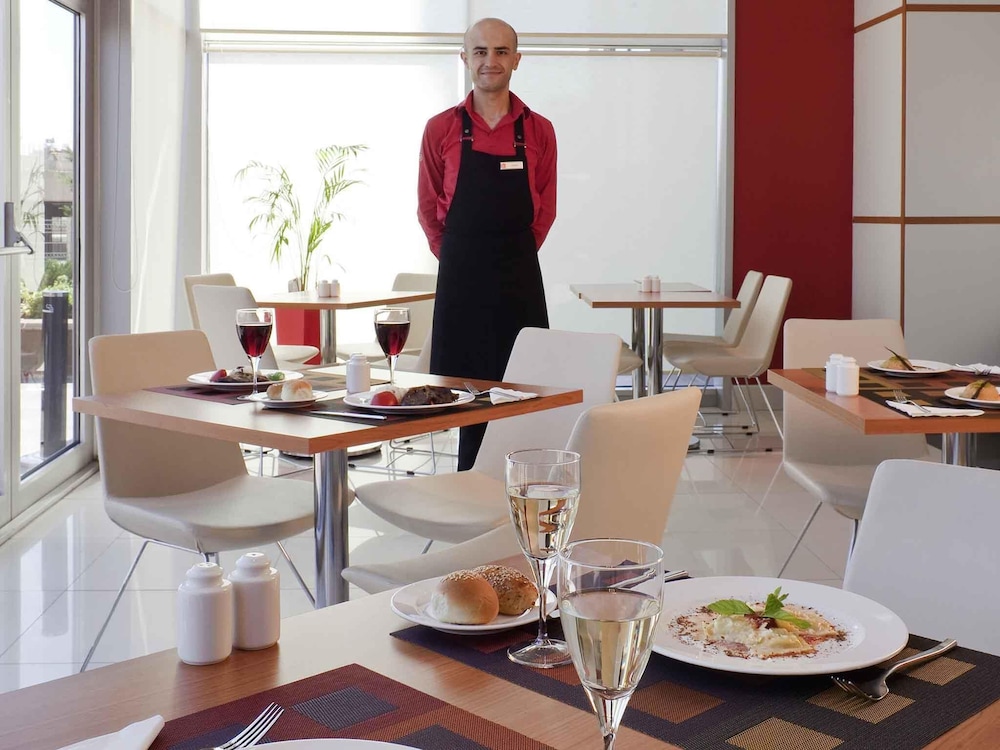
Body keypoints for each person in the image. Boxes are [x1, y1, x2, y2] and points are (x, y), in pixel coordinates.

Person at [417, 17, 557, 471]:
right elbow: (427, 207)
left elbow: (545, 210)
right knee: (463, 395)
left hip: (518, 274)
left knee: (522, 387)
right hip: (462, 277)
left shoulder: (539, 130)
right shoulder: (440, 128)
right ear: (465, 58)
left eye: (501, 51)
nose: (490, 61)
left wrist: (513, 255)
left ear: (517, 59)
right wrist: (459, 256)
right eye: (480, 51)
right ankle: (468, 483)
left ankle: (523, 484)